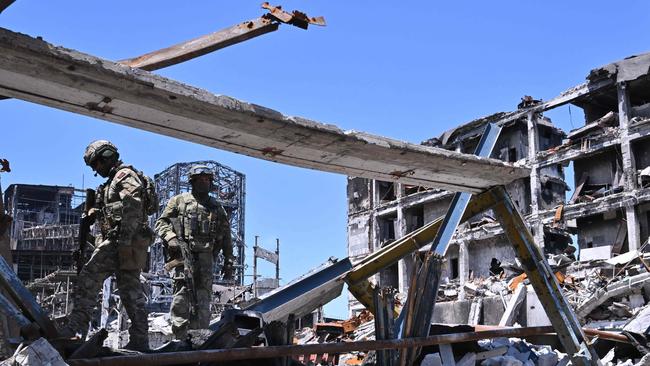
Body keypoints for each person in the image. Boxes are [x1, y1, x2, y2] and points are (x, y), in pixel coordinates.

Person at [62, 140, 153, 351]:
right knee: (131, 292)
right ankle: (141, 340)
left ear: (105, 157)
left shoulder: (123, 176)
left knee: (88, 278)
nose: (95, 170)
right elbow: (115, 209)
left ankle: (75, 331)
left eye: (96, 164)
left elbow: (133, 203)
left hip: (120, 241)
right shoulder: (111, 182)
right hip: (127, 242)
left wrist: (123, 240)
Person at [155, 164, 234, 340]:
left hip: (206, 260)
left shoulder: (216, 207)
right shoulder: (178, 201)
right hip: (184, 258)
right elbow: (161, 223)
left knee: (203, 303)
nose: (204, 183)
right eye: (201, 180)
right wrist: (170, 238)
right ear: (193, 181)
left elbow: (227, 237)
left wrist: (229, 261)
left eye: (207, 180)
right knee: (181, 301)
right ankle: (179, 342)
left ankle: (199, 342)